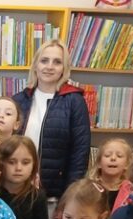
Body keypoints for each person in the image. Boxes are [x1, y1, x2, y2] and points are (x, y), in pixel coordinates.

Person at [13, 39, 90, 202]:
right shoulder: (18, 100)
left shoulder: (74, 101)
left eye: (57, 62)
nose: (49, 66)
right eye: (44, 60)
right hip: (15, 190)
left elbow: (80, 153)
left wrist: (70, 196)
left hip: (54, 194)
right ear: (35, 65)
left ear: (64, 68)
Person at [89, 138, 133, 212]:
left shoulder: (131, 191)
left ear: (127, 164)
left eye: (119, 156)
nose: (113, 158)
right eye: (107, 155)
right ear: (99, 163)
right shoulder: (89, 188)